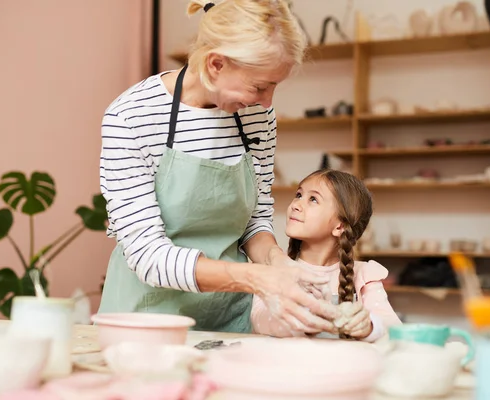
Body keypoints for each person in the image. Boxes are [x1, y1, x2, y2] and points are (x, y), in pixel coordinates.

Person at [97, 0, 338, 334]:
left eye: (274, 86)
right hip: (149, 319)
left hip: (228, 316)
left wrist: (278, 264)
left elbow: (255, 219)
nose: (268, 102)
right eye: (259, 86)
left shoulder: (256, 116)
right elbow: (149, 257)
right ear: (215, 65)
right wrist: (257, 278)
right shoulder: (131, 117)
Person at [251, 169, 402, 341]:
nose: (295, 204)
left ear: (340, 227)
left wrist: (369, 327)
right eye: (299, 195)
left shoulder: (363, 275)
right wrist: (302, 320)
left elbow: (394, 328)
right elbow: (258, 319)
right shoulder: (273, 267)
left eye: (313, 199)